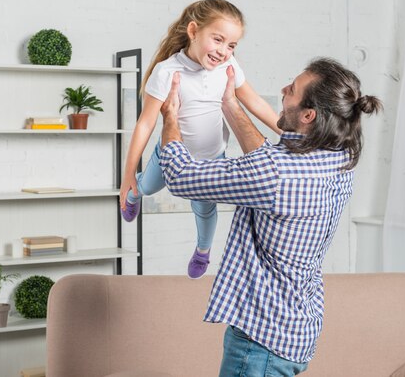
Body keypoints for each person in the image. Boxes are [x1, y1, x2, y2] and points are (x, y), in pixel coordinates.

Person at [158, 58, 382, 375]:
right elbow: (270, 161)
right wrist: (230, 103)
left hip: (260, 345)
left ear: (308, 115)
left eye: (291, 91)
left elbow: (180, 175)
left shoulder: (276, 174)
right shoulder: (341, 155)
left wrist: (170, 117)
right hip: (294, 331)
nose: (282, 90)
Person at [119, 0, 280, 279]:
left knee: (205, 211)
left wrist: (290, 135)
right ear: (193, 31)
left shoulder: (229, 70)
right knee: (148, 186)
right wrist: (128, 175)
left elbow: (257, 104)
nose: (223, 51)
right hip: (170, 156)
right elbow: (145, 124)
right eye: (217, 40)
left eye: (231, 45)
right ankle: (135, 194)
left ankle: (202, 252)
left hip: (211, 162)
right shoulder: (167, 71)